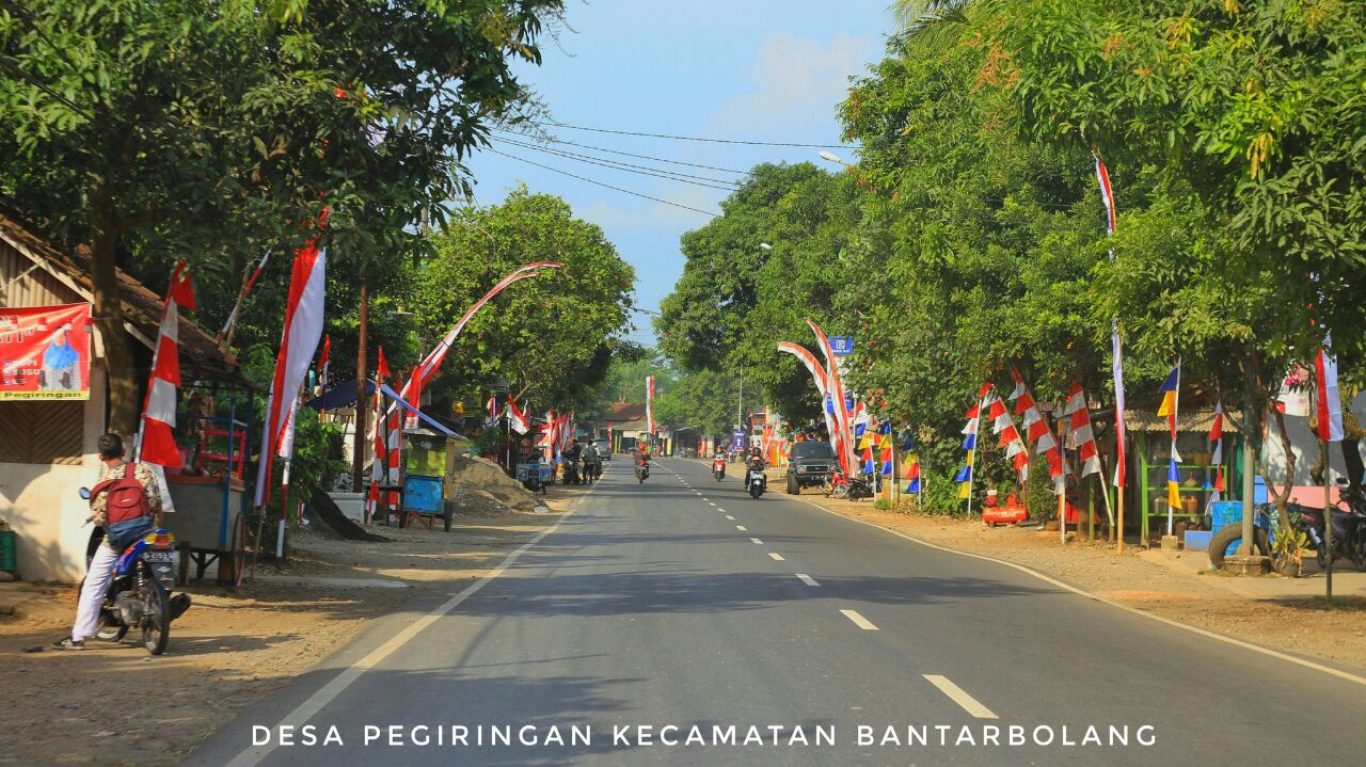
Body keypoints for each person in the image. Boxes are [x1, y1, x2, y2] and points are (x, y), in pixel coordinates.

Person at [54, 433, 162, 650]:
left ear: (101, 457)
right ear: (124, 451)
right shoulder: (144, 471)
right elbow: (157, 505)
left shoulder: (103, 484)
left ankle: (78, 638)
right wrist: (154, 528)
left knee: (94, 583)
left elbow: (100, 519)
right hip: (146, 534)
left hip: (117, 540)